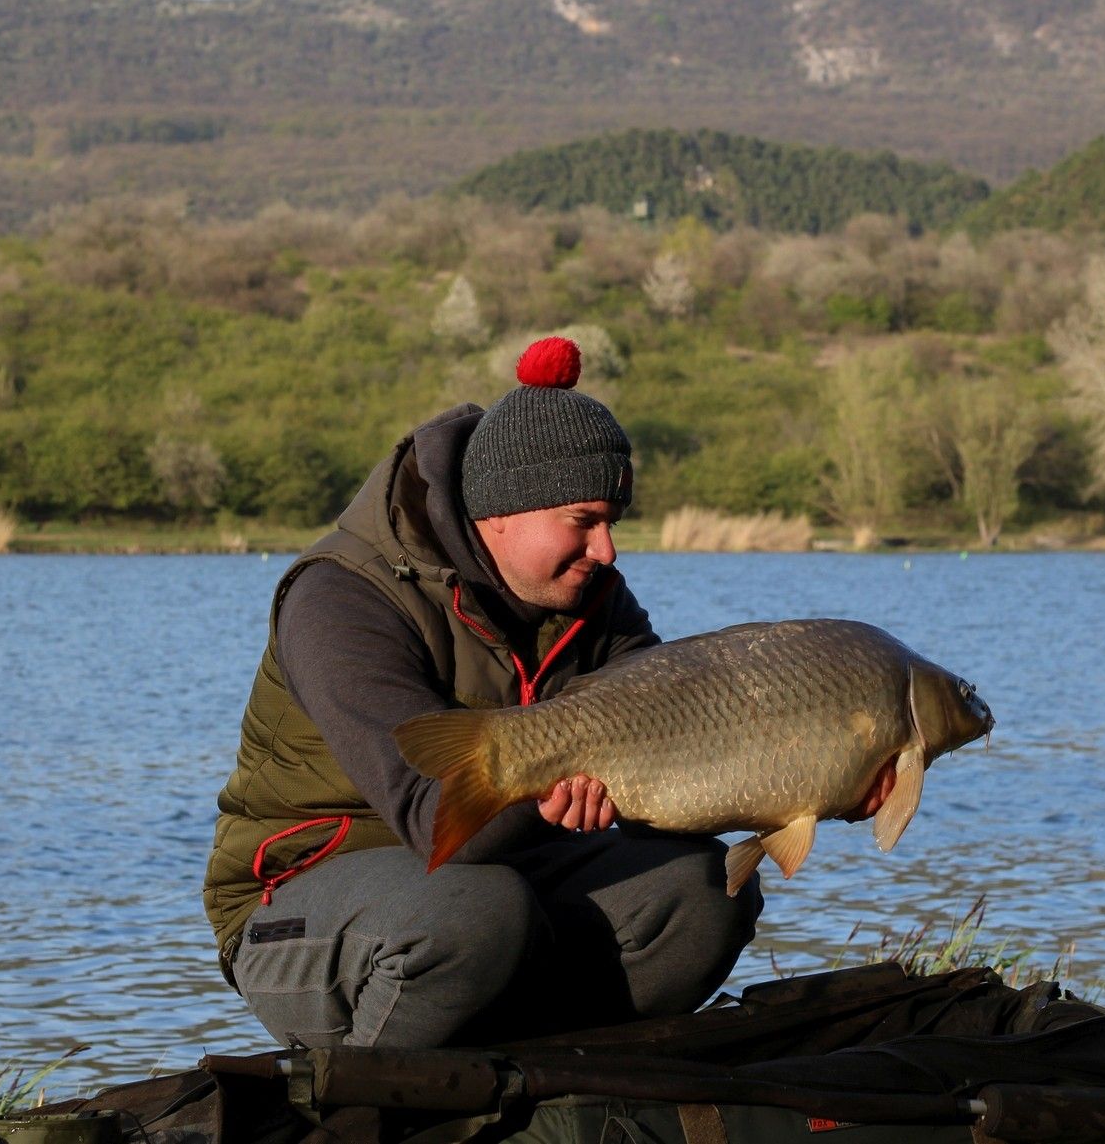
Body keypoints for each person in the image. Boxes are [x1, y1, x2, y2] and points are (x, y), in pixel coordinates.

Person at [203, 336, 764, 1050]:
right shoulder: (342, 598)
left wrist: (806, 788)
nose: (607, 551)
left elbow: (677, 764)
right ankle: (365, 1109)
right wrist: (556, 778)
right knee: (476, 915)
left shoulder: (592, 597)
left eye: (611, 524)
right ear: (502, 511)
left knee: (708, 887)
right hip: (301, 899)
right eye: (584, 522)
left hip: (506, 871)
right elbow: (435, 814)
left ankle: (565, 1084)